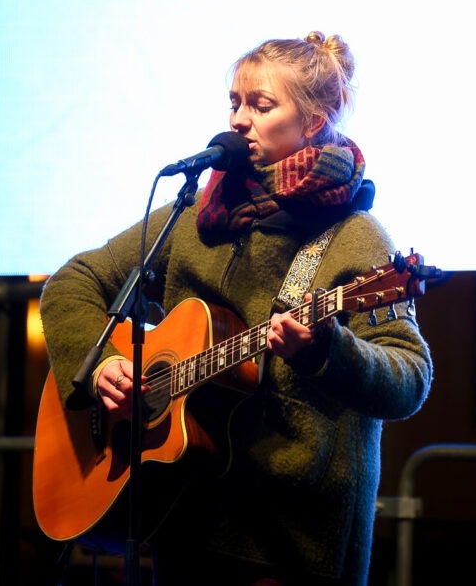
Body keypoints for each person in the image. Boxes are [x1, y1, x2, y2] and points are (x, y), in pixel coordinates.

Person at [39, 32, 433, 585]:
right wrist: (101, 361)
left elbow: (409, 378)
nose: (239, 119)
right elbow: (74, 281)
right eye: (235, 102)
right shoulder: (200, 216)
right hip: (183, 522)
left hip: (293, 543)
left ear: (314, 121)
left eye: (261, 104)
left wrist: (328, 350)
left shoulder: (354, 237)